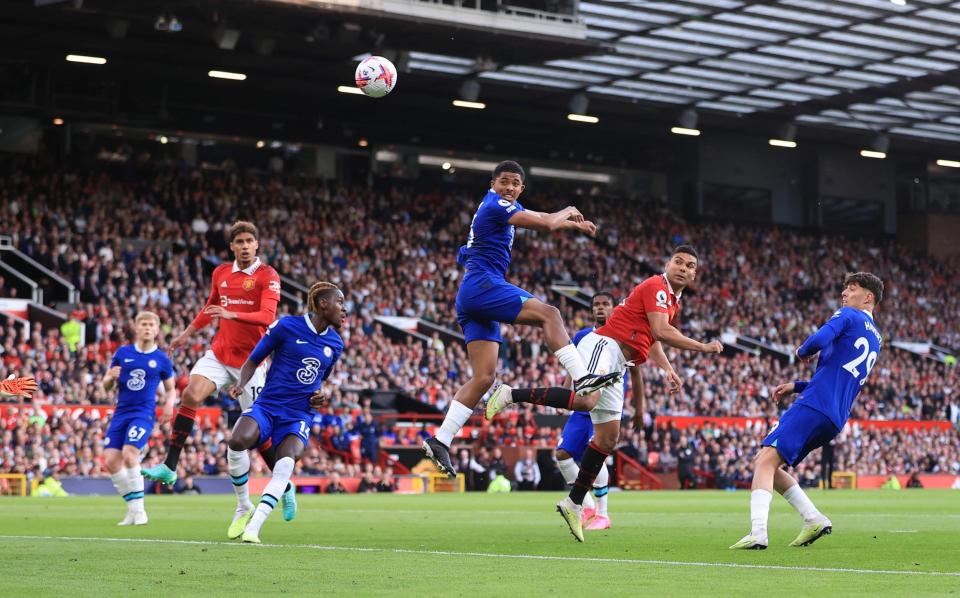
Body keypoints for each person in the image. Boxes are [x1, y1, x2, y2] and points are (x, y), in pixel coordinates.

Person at [487, 246, 722, 542]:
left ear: (694, 274)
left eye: (690, 266)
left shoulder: (672, 300)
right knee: (587, 400)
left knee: (608, 438)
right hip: (604, 345)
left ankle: (574, 503)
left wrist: (668, 369)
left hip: (620, 363)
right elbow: (662, 332)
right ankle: (511, 393)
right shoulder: (656, 286)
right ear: (667, 264)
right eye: (678, 262)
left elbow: (653, 339)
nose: (683, 268)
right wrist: (703, 346)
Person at [422, 161, 621, 477]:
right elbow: (545, 224)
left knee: (484, 377)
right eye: (504, 182)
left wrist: (575, 226)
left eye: (515, 184)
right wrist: (569, 210)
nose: (510, 188)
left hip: (473, 295)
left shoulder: (505, 206)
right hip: (483, 285)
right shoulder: (495, 204)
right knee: (550, 314)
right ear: (493, 183)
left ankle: (441, 439)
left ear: (522, 188)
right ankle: (583, 377)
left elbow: (542, 218)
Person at [730, 272, 884, 550]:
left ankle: (758, 533)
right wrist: (796, 385)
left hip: (814, 405)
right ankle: (813, 518)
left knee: (765, 461)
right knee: (766, 462)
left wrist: (802, 350)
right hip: (834, 416)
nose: (844, 294)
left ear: (868, 296)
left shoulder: (849, 315)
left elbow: (819, 339)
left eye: (851, 289)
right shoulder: (877, 338)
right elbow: (838, 375)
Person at [142, 222, 289, 509]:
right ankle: (170, 465)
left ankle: (284, 484)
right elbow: (210, 307)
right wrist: (186, 334)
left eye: (249, 241)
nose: (245, 246)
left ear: (257, 245)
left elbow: (267, 316)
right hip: (220, 355)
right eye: (240, 242)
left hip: (252, 363)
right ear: (232, 246)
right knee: (190, 394)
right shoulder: (221, 272)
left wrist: (230, 313)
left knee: (258, 436)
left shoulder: (268, 276)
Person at [226, 282, 345, 543]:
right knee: (237, 441)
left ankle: (254, 528)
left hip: (298, 415)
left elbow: (319, 380)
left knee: (286, 461)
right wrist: (240, 384)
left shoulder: (336, 344)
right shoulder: (286, 326)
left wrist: (319, 398)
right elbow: (254, 360)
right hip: (268, 405)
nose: (343, 309)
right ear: (323, 303)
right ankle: (244, 505)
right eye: (339, 302)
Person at [551, 292, 661, 531]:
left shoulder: (623, 335)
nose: (601, 309)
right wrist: (564, 393)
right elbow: (572, 368)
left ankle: (603, 514)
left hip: (606, 405)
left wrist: (640, 409)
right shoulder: (582, 336)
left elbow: (636, 373)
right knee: (562, 454)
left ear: (615, 309)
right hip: (582, 403)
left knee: (596, 451)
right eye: (597, 305)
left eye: (606, 304)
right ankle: (585, 506)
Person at [101, 311, 175, 526]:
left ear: (157, 329)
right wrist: (108, 378)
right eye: (143, 324)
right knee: (110, 462)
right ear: (136, 327)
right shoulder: (122, 353)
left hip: (143, 414)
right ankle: (132, 510)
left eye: (151, 324)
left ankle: (140, 511)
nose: (147, 327)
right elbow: (106, 385)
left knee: (130, 454)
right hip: (120, 413)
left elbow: (170, 390)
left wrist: (169, 404)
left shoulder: (161, 359)